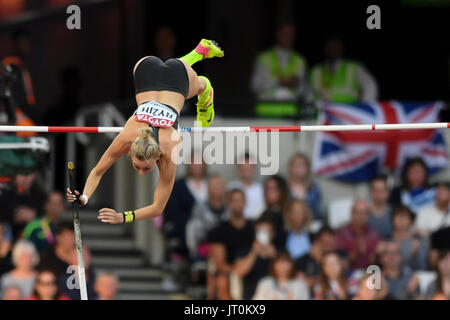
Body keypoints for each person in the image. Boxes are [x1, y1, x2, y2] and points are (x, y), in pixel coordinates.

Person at [66, 39, 224, 224]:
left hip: (154, 69)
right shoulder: (137, 139)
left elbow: (157, 208)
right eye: (141, 167)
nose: (141, 172)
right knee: (189, 78)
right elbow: (98, 173)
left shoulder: (160, 142)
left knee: (198, 84)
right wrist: (83, 197)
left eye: (142, 167)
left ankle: (203, 79)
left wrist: (120, 216)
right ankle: (199, 57)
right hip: (150, 71)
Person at [207, 189, 254, 300]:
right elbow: (220, 264)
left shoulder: (254, 228)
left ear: (245, 202)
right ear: (228, 203)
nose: (237, 204)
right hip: (229, 272)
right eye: (234, 201)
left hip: (251, 268)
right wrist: (237, 271)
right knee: (222, 281)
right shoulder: (219, 230)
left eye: (240, 200)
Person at [251, 21, 309, 107]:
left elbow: (305, 91)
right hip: (267, 111)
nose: (287, 37)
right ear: (277, 35)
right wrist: (278, 81)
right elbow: (254, 85)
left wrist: (297, 84)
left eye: (290, 34)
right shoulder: (264, 58)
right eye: (284, 33)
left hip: (290, 111)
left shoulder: (300, 60)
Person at [163, 151, 208, 261]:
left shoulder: (210, 184)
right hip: (185, 228)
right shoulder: (178, 186)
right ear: (188, 164)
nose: (197, 165)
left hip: (208, 226)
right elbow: (173, 212)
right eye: (194, 162)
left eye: (199, 162)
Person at [310, 37, 378, 104]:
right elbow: (308, 93)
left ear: (341, 48)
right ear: (324, 48)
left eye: (336, 46)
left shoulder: (353, 67)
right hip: (323, 112)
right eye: (330, 46)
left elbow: (370, 87)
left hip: (347, 112)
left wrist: (363, 108)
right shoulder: (315, 71)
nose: (333, 49)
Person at [233, 216, 280, 300]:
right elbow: (238, 272)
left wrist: (275, 256)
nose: (263, 235)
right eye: (260, 232)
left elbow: (288, 275)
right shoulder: (245, 251)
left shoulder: (279, 252)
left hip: (276, 295)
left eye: (266, 232)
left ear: (273, 234)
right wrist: (253, 253)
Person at [1, 29, 38, 135]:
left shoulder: (20, 64)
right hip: (16, 117)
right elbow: (11, 94)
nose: (26, 46)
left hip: (22, 115)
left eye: (27, 43)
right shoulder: (11, 65)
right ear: (15, 45)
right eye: (23, 43)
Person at [186, 174, 228, 260]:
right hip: (205, 249)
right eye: (214, 185)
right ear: (208, 188)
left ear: (224, 189)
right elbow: (197, 234)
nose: (217, 188)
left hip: (227, 249)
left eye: (219, 185)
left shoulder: (230, 209)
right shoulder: (199, 208)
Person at [0, 171, 47, 238]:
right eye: (22, 174)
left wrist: (35, 216)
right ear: (16, 177)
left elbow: (48, 220)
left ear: (34, 176)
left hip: (36, 239)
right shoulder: (5, 196)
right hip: (11, 239)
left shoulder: (41, 196)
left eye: (28, 175)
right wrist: (15, 217)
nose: (25, 179)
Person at [336, 200, 380, 270]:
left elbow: (376, 261)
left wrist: (377, 256)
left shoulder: (374, 234)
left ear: (368, 216)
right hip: (348, 274)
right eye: (358, 212)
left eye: (364, 213)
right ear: (352, 213)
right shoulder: (342, 232)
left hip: (370, 273)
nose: (360, 216)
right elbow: (339, 260)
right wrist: (357, 253)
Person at [390, 205, 428, 271]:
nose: (401, 219)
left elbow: (422, 267)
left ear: (411, 221)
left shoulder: (420, 241)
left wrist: (415, 255)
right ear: (392, 220)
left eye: (405, 216)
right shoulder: (386, 241)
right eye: (398, 216)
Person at [227, 153, 265, 220]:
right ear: (238, 169)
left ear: (254, 168)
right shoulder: (231, 187)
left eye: (249, 169)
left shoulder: (261, 189)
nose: (246, 172)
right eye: (243, 169)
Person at [287, 153, 322, 220]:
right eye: (296, 165)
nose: (298, 168)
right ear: (290, 168)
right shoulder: (285, 187)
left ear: (307, 168)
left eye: (301, 165)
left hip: (312, 222)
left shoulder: (314, 188)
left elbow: (318, 211)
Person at [367, 175, 393, 239]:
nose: (379, 194)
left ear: (388, 192)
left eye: (382, 190)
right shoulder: (363, 213)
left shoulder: (395, 213)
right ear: (371, 192)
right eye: (375, 190)